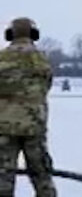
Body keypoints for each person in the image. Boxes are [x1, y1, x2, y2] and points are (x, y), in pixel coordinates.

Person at [0, 18, 56, 196]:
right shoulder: (41, 59)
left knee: (3, 176)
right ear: (33, 34)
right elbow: (45, 87)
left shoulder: (2, 58)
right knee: (41, 176)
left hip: (4, 125)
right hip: (34, 125)